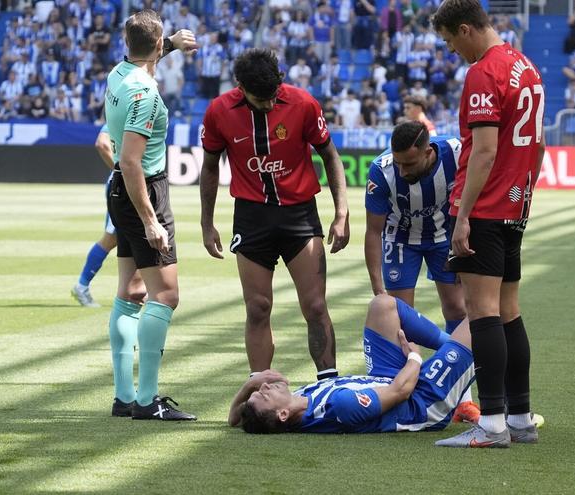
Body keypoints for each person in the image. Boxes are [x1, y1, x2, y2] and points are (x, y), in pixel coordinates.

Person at [432, 0, 546, 448]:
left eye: (450, 41)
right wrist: (523, 193)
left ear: (465, 29)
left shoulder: (484, 72)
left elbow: (483, 150)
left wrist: (462, 215)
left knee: (482, 312)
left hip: (485, 207)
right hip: (515, 205)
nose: (452, 51)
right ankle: (519, 418)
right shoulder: (526, 66)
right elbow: (539, 146)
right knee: (509, 312)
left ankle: (493, 424)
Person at [199, 48, 350, 382]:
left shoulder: (304, 103)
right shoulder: (218, 111)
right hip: (251, 217)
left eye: (272, 96)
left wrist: (341, 212)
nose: (268, 104)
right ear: (240, 87)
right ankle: (261, 389)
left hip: (300, 215)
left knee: (315, 306)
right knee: (258, 308)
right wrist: (206, 223)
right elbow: (209, 167)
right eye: (260, 99)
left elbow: (330, 155)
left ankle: (329, 385)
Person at [226, 294, 537, 438]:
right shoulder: (339, 407)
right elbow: (401, 391)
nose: (263, 387)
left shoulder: (298, 401)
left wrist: (250, 384)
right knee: (483, 312)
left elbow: (234, 419)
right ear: (283, 414)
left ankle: (456, 347)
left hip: (384, 379)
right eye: (263, 394)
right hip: (421, 401)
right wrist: (414, 357)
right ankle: (510, 403)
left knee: (381, 306)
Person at [104, 9, 198, 420]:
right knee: (166, 296)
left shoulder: (118, 74)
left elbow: (144, 56)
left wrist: (170, 45)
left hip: (119, 192)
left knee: (131, 293)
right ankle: (147, 401)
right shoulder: (144, 94)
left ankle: (124, 396)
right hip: (144, 191)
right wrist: (150, 220)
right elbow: (131, 161)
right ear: (156, 44)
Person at [365, 121, 478, 423]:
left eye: (409, 164)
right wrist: (377, 288)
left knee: (457, 308)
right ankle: (403, 393)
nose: (402, 171)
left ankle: (463, 400)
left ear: (428, 152)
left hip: (444, 238)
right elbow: (373, 231)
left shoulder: (456, 153)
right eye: (398, 163)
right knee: (401, 319)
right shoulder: (381, 171)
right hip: (401, 240)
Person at [72, 125, 147, 307]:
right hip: (124, 185)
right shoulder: (128, 114)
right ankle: (82, 286)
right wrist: (123, 171)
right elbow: (102, 143)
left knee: (120, 238)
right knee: (114, 238)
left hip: (132, 182)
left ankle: (139, 290)